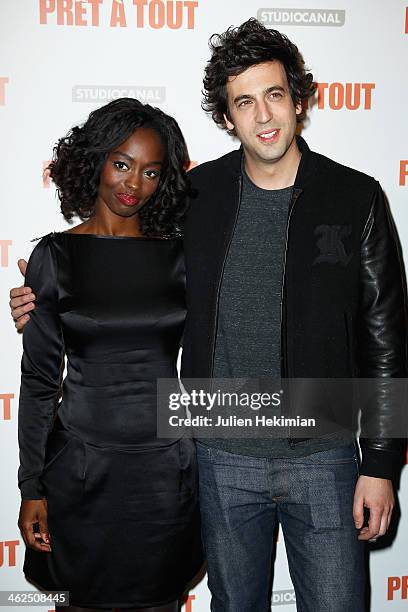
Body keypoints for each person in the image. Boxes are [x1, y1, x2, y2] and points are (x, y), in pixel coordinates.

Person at [10, 19, 408, 612]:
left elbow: (385, 340)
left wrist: (379, 463)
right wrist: (45, 296)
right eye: (244, 102)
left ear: (299, 100)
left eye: (275, 94)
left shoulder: (355, 197)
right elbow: (123, 271)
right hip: (219, 459)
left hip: (324, 457)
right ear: (227, 117)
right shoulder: (197, 198)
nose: (264, 116)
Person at [13, 97, 203, 612]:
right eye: (121, 163)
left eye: (149, 172)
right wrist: (31, 485)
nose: (132, 183)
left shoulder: (181, 258)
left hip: (167, 477)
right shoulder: (55, 257)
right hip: (81, 475)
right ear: (95, 160)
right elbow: (37, 384)